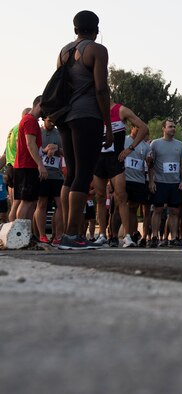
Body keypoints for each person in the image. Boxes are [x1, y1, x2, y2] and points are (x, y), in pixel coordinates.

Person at [56, 10, 112, 250]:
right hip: (87, 115)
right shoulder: (97, 50)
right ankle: (71, 235)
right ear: (97, 29)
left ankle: (68, 234)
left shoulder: (63, 53)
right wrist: (108, 124)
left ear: (75, 29)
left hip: (65, 117)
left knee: (71, 174)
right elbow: (101, 89)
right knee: (84, 174)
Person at [93, 101, 147, 247]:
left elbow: (143, 127)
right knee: (99, 197)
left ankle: (128, 236)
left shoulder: (121, 110)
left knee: (121, 197)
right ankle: (103, 234)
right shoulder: (93, 109)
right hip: (99, 159)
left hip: (115, 159)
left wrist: (130, 148)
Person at [148, 120, 182, 247]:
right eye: (170, 127)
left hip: (175, 183)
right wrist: (151, 181)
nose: (173, 129)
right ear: (163, 128)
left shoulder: (180, 145)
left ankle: (174, 237)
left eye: (174, 127)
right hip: (160, 182)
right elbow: (151, 164)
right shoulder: (155, 143)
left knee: (174, 211)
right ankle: (154, 237)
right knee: (158, 210)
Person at [13, 95, 48, 222]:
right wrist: (40, 164)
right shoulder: (30, 121)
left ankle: (26, 235)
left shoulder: (30, 121)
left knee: (31, 201)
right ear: (39, 104)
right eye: (46, 106)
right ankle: (21, 235)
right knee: (27, 202)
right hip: (26, 166)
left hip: (27, 166)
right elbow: (30, 144)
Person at [34, 117, 64, 244]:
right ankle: (41, 235)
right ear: (44, 119)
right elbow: (32, 150)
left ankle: (57, 236)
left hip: (57, 175)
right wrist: (44, 151)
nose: (52, 122)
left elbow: (67, 152)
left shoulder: (59, 133)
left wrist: (57, 149)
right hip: (42, 173)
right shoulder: (38, 133)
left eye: (54, 120)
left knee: (60, 204)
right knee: (42, 204)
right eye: (49, 120)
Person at [1, 108, 32, 222]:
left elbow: (5, 155)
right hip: (19, 167)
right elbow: (23, 148)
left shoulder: (12, 129)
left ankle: (15, 232)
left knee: (16, 203)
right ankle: (17, 232)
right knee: (20, 203)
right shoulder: (21, 129)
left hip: (11, 168)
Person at [123, 126, 151, 245]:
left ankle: (133, 235)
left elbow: (149, 165)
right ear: (132, 128)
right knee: (121, 207)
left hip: (138, 181)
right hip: (123, 179)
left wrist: (150, 161)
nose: (140, 131)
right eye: (138, 128)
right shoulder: (124, 140)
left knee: (133, 208)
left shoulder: (146, 146)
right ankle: (114, 236)